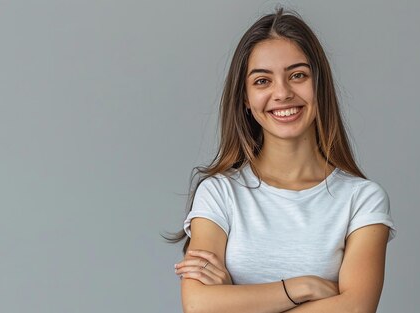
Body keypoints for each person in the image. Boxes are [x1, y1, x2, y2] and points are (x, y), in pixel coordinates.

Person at [164, 7, 397, 313]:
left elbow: (355, 309)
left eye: (297, 75)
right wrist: (301, 287)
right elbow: (198, 305)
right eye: (262, 81)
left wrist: (233, 299)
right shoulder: (220, 193)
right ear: (245, 98)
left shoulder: (362, 200)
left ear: (319, 85)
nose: (283, 93)